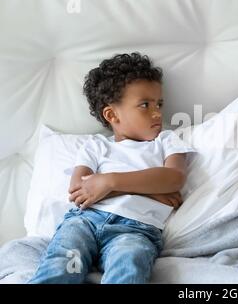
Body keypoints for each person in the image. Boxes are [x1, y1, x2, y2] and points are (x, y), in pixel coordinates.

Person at [28, 52, 195, 283]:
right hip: (84, 221)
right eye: (145, 105)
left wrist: (109, 182)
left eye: (159, 103)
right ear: (111, 114)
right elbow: (79, 190)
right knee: (61, 265)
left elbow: (174, 178)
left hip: (135, 230)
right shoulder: (95, 146)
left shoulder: (166, 141)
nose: (157, 112)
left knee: (129, 265)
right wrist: (152, 190)